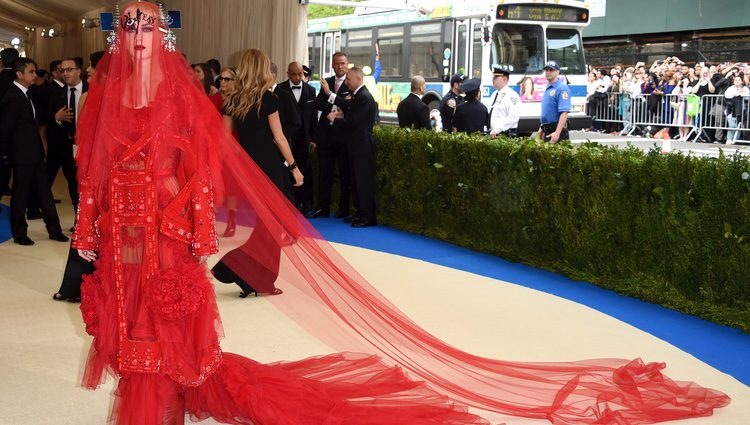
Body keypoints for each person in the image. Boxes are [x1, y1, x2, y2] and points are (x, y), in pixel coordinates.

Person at [71, 4, 731, 424]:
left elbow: (200, 172)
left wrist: (187, 225)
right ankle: (168, 397)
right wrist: (89, 227)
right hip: (126, 239)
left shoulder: (186, 98)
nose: (136, 36)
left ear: (161, 34)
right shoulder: (106, 93)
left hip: (162, 241)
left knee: (162, 343)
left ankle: (165, 405)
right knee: (136, 340)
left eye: (146, 25)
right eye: (127, 25)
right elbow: (94, 168)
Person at [211, 50, 303, 298]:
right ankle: (251, 275)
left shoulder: (231, 100)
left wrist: (237, 166)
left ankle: (244, 272)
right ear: (261, 69)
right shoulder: (269, 99)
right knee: (274, 225)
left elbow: (224, 140)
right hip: (270, 168)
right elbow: (280, 138)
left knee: (263, 225)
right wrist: (294, 168)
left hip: (246, 170)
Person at [52, 50, 105, 303]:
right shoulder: (88, 96)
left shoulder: (89, 96)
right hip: (98, 170)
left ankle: (77, 287)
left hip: (102, 172)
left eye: (93, 68)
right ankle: (78, 286)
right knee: (90, 226)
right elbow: (82, 138)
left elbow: (82, 138)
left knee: (92, 227)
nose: (89, 72)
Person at [0, 57, 68, 246]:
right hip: (22, 156)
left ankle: (54, 230)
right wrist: (5, 155)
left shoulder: (28, 93)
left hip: (35, 154)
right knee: (20, 196)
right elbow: (5, 130)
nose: (35, 75)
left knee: (45, 193)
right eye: (31, 71)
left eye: (35, 71)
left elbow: (33, 123)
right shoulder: (12, 97)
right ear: (19, 74)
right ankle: (20, 233)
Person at [323, 66, 379, 227]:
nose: (346, 81)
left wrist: (334, 118)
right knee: (356, 182)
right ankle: (361, 213)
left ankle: (368, 217)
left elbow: (353, 122)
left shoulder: (365, 97)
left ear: (358, 79)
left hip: (362, 147)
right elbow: (348, 108)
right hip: (356, 146)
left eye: (348, 79)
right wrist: (330, 95)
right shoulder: (359, 96)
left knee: (363, 183)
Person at [308, 52, 353, 220]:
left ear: (347, 64)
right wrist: (336, 107)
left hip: (342, 136)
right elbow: (318, 103)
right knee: (324, 173)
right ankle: (322, 207)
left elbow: (349, 107)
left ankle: (343, 209)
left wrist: (331, 101)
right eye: (336, 63)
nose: (340, 66)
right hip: (325, 134)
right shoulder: (327, 82)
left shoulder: (352, 82)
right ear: (333, 65)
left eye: (342, 63)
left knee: (344, 174)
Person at [46, 57, 88, 218]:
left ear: (79, 70)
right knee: (72, 182)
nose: (65, 73)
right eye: (62, 70)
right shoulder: (56, 92)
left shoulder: (90, 89)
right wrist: (56, 117)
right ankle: (78, 221)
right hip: (65, 145)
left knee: (86, 183)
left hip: (87, 145)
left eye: (69, 69)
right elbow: (46, 117)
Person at [276, 61, 318, 215]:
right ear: (288, 74)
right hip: (286, 139)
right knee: (288, 171)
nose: (298, 77)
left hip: (304, 140)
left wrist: (313, 139)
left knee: (306, 170)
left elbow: (314, 117)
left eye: (300, 74)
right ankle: (290, 205)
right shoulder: (279, 90)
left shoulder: (311, 91)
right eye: (294, 74)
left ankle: (307, 204)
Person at [539, 60, 571, 143]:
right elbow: (547, 111)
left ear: (557, 72)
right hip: (547, 130)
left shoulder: (562, 88)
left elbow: (564, 112)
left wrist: (557, 133)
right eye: (546, 70)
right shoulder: (548, 87)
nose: (548, 72)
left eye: (551, 70)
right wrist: (542, 129)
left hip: (556, 130)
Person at [487, 66, 520, 138]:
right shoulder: (494, 94)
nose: (493, 80)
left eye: (495, 78)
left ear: (504, 79)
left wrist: (497, 129)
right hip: (493, 134)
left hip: (505, 134)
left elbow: (513, 117)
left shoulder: (511, 95)